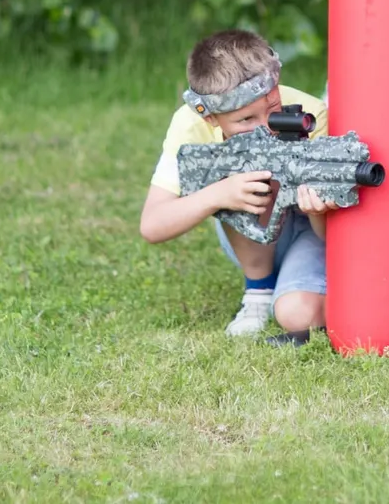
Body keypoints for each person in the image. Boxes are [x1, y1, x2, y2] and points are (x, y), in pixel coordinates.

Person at [139, 29, 336, 341]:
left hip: (314, 236)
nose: (264, 129)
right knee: (237, 175)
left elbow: (331, 235)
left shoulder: (311, 113)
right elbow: (153, 225)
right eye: (246, 120)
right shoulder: (189, 126)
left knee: (297, 316)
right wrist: (219, 194)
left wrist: (318, 208)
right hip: (255, 241)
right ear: (211, 118)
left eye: (273, 109)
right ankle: (258, 291)